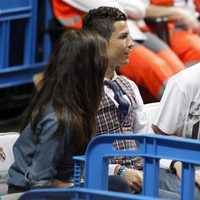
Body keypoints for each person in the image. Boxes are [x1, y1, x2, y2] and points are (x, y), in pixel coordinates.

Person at [7, 29, 128, 194]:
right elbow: (40, 181)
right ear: (88, 69)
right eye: (101, 59)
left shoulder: (79, 108)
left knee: (117, 184)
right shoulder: (58, 120)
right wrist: (78, 187)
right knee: (117, 187)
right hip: (30, 194)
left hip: (62, 185)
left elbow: (77, 166)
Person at [83, 6, 179, 199]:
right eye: (123, 37)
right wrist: (117, 171)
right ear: (100, 42)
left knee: (192, 188)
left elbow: (145, 140)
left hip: (143, 170)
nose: (131, 43)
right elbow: (74, 157)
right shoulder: (80, 90)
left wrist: (173, 163)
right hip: (105, 179)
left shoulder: (128, 86)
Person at [51, 0, 185, 102]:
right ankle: (180, 112)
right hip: (99, 38)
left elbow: (138, 9)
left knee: (177, 67)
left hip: (134, 30)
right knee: (155, 67)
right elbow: (116, 10)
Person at [152, 63, 200, 198]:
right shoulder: (183, 83)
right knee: (194, 194)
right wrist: (180, 163)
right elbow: (161, 131)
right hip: (177, 160)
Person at [145, 0, 200, 67]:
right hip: (167, 32)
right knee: (196, 49)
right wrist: (180, 14)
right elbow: (143, 9)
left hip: (192, 28)